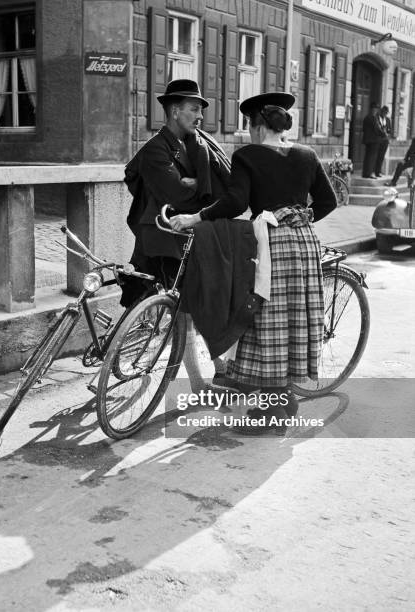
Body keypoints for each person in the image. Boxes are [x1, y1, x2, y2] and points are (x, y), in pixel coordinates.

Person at [169, 92, 337, 434]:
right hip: (304, 243)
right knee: (294, 318)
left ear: (256, 126)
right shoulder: (307, 154)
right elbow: (328, 201)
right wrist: (297, 216)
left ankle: (276, 408)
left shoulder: (247, 155)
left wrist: (195, 218)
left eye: (248, 126)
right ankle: (279, 395)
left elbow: (234, 203)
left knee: (264, 319)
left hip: (270, 243)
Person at [123, 78, 231, 392]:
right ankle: (199, 381)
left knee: (201, 302)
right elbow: (175, 194)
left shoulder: (193, 144)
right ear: (174, 111)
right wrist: (195, 184)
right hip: (162, 240)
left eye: (201, 110)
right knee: (185, 308)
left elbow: (193, 190)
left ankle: (219, 365)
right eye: (193, 109)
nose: (200, 116)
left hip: (185, 234)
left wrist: (190, 181)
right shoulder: (156, 150)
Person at [362, 102, 385, 178]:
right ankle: (370, 173)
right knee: (372, 157)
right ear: (372, 109)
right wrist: (383, 134)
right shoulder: (372, 118)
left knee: (368, 157)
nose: (375, 110)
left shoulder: (367, 117)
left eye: (376, 109)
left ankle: (365, 173)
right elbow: (377, 129)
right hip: (373, 141)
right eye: (375, 109)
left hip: (368, 141)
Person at [374, 105, 392, 177]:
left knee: (381, 156)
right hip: (378, 140)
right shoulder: (377, 118)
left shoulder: (387, 120)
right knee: (376, 156)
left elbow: (390, 129)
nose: (385, 114)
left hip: (385, 141)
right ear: (381, 111)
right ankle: (374, 170)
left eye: (386, 113)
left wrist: (387, 132)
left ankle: (378, 172)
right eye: (384, 112)